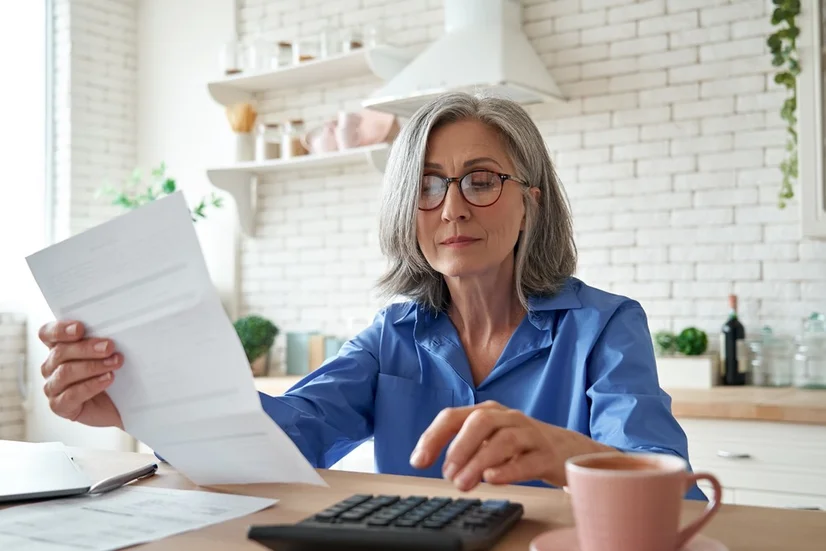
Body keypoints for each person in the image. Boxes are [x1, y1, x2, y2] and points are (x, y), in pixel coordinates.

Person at [38, 91, 705, 500]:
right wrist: (137, 401)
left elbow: (674, 489)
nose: (451, 208)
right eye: (427, 184)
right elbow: (283, 438)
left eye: (480, 180)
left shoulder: (605, 327)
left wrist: (563, 452)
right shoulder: (394, 335)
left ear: (529, 202)